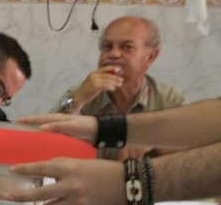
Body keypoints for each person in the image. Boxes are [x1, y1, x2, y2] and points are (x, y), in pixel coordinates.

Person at [6, 98, 221, 205]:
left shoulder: (165, 94)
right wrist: (103, 128)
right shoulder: (90, 94)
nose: (114, 55)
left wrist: (129, 182)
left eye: (127, 47)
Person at [53, 16, 186, 159]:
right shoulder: (81, 92)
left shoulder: (170, 101)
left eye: (127, 47)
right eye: (107, 47)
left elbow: (191, 154)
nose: (114, 54)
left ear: (150, 57)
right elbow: (48, 133)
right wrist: (76, 100)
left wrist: (153, 140)